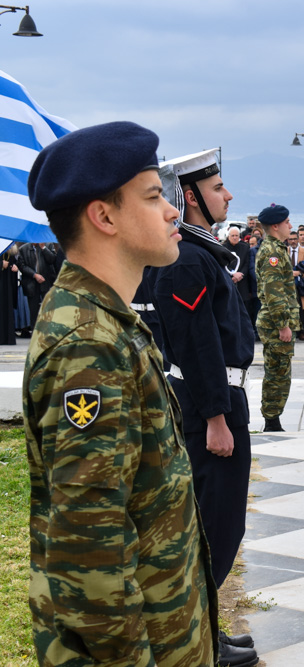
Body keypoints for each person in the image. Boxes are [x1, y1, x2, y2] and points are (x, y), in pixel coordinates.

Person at [23, 121, 217, 666]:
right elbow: (89, 545)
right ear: (104, 217)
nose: (173, 211)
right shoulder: (89, 343)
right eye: (153, 197)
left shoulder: (106, 320)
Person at [151, 149, 258, 665]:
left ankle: (205, 632)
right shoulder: (189, 259)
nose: (228, 195)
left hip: (221, 400)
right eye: (217, 188)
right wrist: (216, 417)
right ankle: (192, 644)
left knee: (220, 525)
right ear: (190, 196)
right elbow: (197, 345)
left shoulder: (201, 253)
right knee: (213, 528)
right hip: (208, 408)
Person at [256, 204, 297, 432]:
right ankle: (271, 421)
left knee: (279, 371)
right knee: (277, 373)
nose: (290, 225)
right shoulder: (272, 252)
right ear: (275, 226)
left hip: (275, 320)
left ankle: (273, 419)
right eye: (287, 222)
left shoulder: (276, 249)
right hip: (274, 323)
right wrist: (283, 325)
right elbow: (273, 291)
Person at [224, 224, 257, 327]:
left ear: (239, 236)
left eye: (236, 236)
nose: (234, 238)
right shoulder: (223, 247)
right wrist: (232, 274)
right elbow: (222, 264)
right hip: (229, 280)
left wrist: (240, 275)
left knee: (245, 308)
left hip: (242, 281)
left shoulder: (245, 247)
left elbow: (247, 264)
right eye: (232, 236)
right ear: (228, 236)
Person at [287, 230, 304, 341]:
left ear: (298, 239)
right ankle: (291, 331)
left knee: (302, 309)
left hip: (301, 284)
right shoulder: (284, 251)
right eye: (291, 239)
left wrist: (300, 273)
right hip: (288, 285)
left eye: (295, 239)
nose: (293, 241)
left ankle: (302, 331)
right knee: (289, 308)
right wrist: (290, 273)